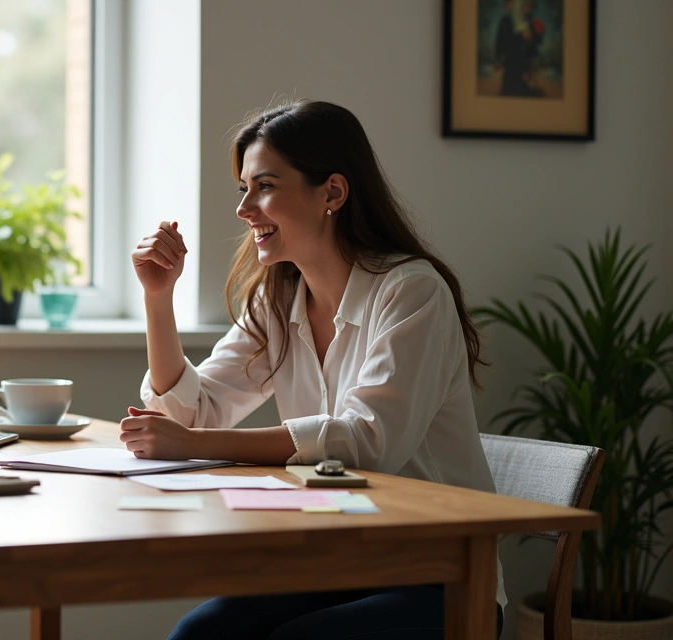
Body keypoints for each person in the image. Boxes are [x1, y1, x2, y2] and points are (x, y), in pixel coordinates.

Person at [122, 100, 505, 639]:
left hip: (441, 576)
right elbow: (197, 410)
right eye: (243, 189)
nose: (244, 208)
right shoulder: (278, 300)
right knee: (200, 634)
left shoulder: (410, 290)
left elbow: (367, 441)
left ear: (332, 193)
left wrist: (190, 443)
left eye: (265, 186)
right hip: (334, 563)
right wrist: (157, 300)